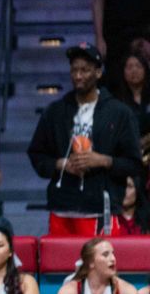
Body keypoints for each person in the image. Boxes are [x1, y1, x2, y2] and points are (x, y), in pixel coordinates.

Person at [27, 44, 141, 236]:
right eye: (74, 70)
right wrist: (60, 163)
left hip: (99, 207)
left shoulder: (119, 113)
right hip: (61, 206)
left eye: (85, 70)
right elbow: (36, 154)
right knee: (59, 265)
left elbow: (134, 164)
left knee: (98, 264)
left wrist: (103, 160)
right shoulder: (55, 111)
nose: (78, 76)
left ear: (98, 72)